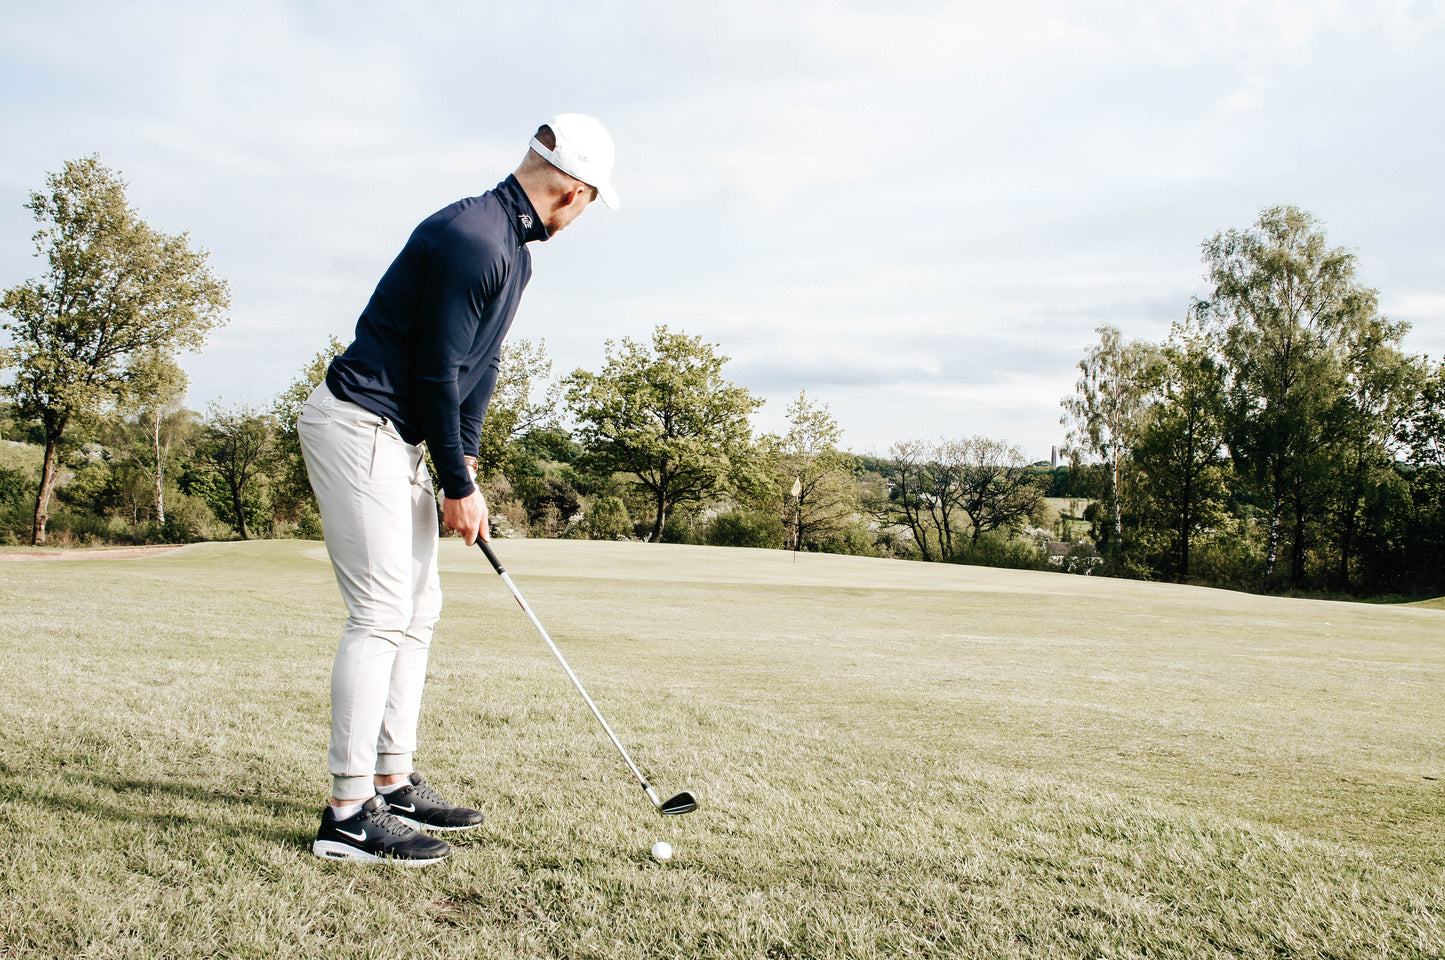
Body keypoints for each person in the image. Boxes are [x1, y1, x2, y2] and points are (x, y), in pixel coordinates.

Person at [298, 114, 619, 864]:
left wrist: (463, 468)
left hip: (401, 436)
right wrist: (453, 481)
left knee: (420, 607)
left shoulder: (511, 251)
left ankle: (393, 778)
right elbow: (435, 372)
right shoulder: (475, 239)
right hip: (359, 424)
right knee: (381, 612)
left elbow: (481, 369)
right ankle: (347, 816)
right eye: (591, 205)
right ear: (572, 193)